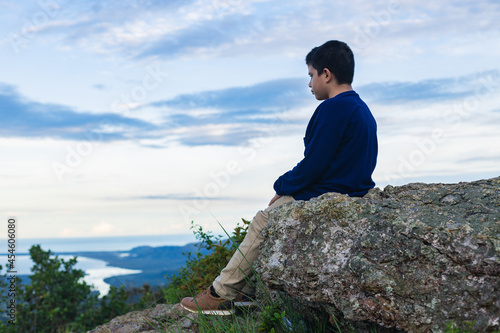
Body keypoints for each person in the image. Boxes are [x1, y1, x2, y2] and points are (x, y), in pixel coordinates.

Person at [180, 40, 378, 315]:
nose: (310, 84)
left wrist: (282, 185)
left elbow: (314, 165)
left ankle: (221, 294)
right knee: (274, 210)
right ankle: (244, 293)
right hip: (352, 192)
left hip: (331, 194)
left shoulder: (334, 109)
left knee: (265, 221)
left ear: (327, 74)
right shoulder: (362, 109)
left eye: (311, 75)